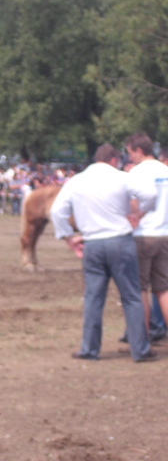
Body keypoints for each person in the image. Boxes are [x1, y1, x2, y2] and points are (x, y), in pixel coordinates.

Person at [50, 143, 157, 362]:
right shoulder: (121, 177)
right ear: (114, 160)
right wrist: (139, 214)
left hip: (93, 243)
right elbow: (151, 194)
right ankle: (140, 350)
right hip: (120, 241)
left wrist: (69, 237)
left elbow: (57, 211)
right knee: (132, 297)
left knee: (93, 298)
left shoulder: (76, 181)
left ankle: (90, 348)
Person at [126, 133, 168, 338]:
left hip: (144, 234)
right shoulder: (165, 170)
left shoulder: (137, 172)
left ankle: (142, 336)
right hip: (165, 233)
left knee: (140, 288)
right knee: (163, 289)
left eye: (130, 153)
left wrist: (135, 216)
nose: (130, 157)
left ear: (139, 151)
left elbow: (134, 202)